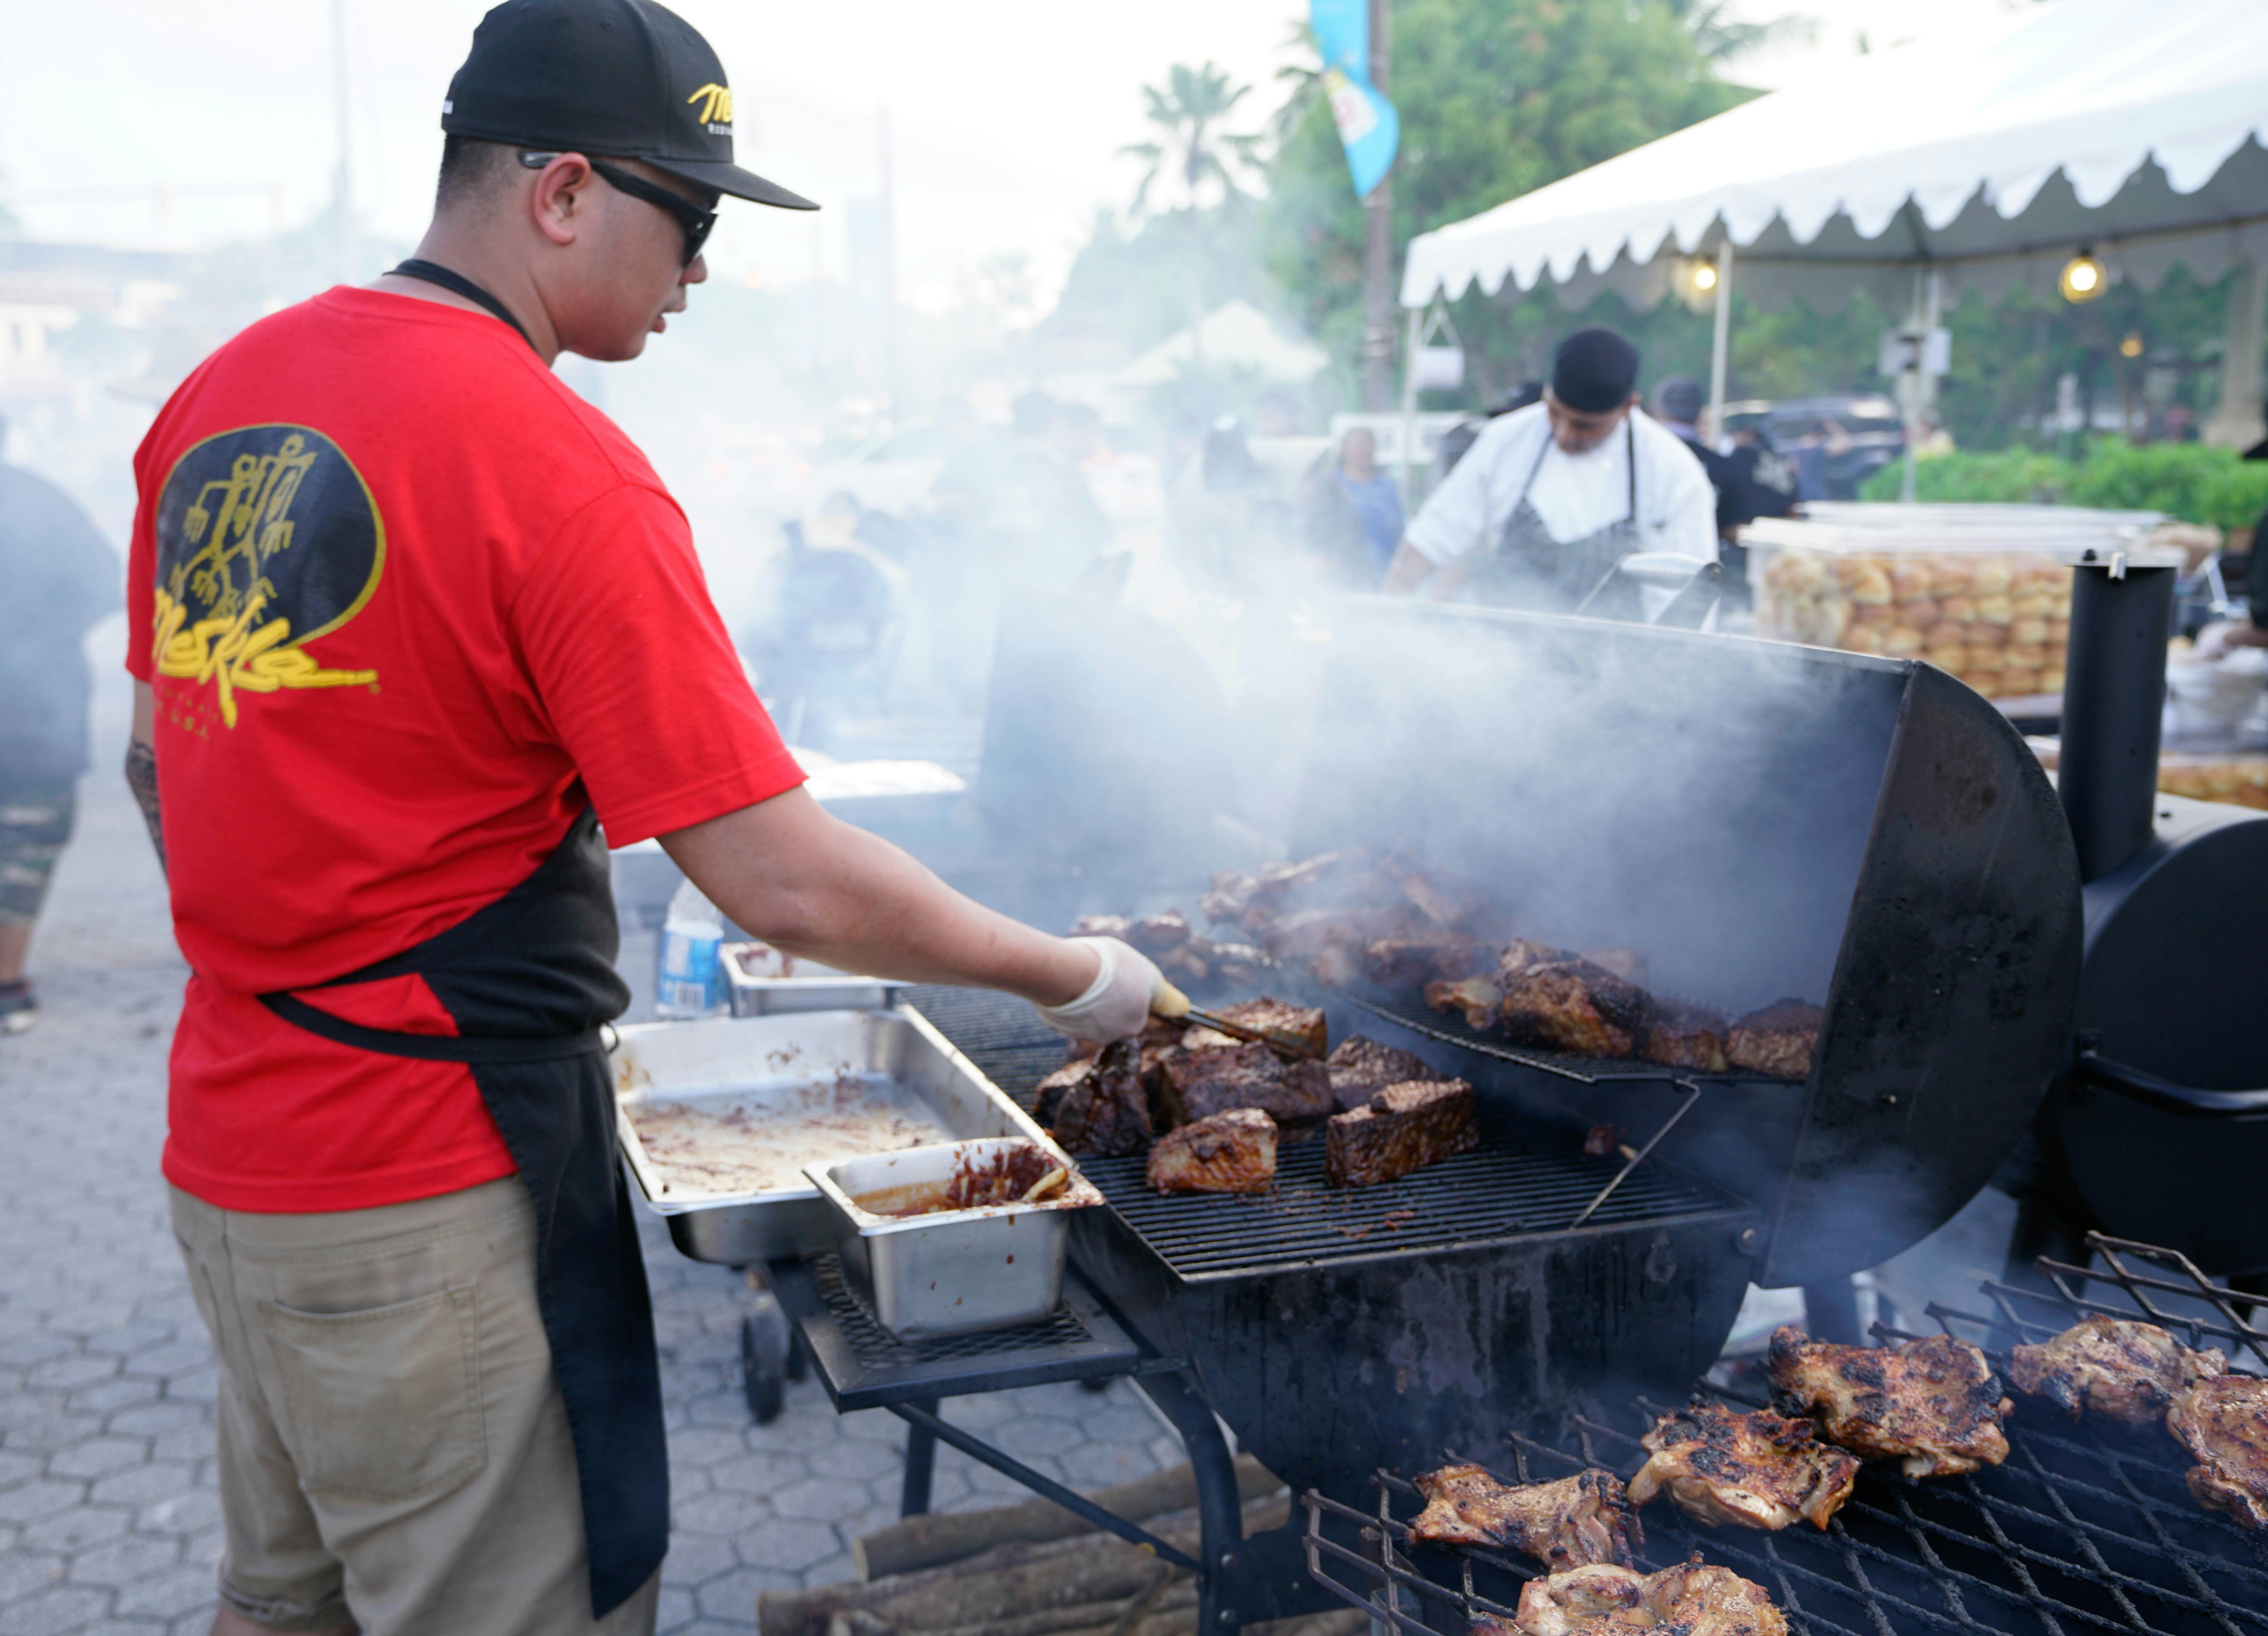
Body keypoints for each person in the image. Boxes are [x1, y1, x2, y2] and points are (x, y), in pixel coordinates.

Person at [121, 4, 1167, 1633]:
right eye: (689, 222)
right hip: (427, 1186)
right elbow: (783, 882)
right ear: (561, 194)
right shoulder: (554, 467)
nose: (697, 273)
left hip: (233, 1155)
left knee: (289, 1605)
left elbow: (155, 764)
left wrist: (312, 907)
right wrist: (1070, 973)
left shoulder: (220, 397)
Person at [1384, 328, 1716, 617]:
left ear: (1629, 407)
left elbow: (1688, 602)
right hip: (1495, 669)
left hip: (1616, 680)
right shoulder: (1505, 440)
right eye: (1554, 413)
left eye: (1585, 426)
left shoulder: (1673, 472)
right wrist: (1381, 625)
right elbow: (1429, 541)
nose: (1564, 434)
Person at [0, 411, 120, 1034]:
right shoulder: (40, 501)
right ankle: (6, 986)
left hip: (31, 712)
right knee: (27, 847)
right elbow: (106, 587)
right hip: (34, 715)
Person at [1300, 426, 1404, 585]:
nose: (1366, 449)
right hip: (1344, 572)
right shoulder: (1330, 485)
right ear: (1344, 450)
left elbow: (1399, 530)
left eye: (1370, 444)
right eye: (1360, 444)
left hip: (1384, 572)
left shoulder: (1387, 488)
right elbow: (1314, 527)